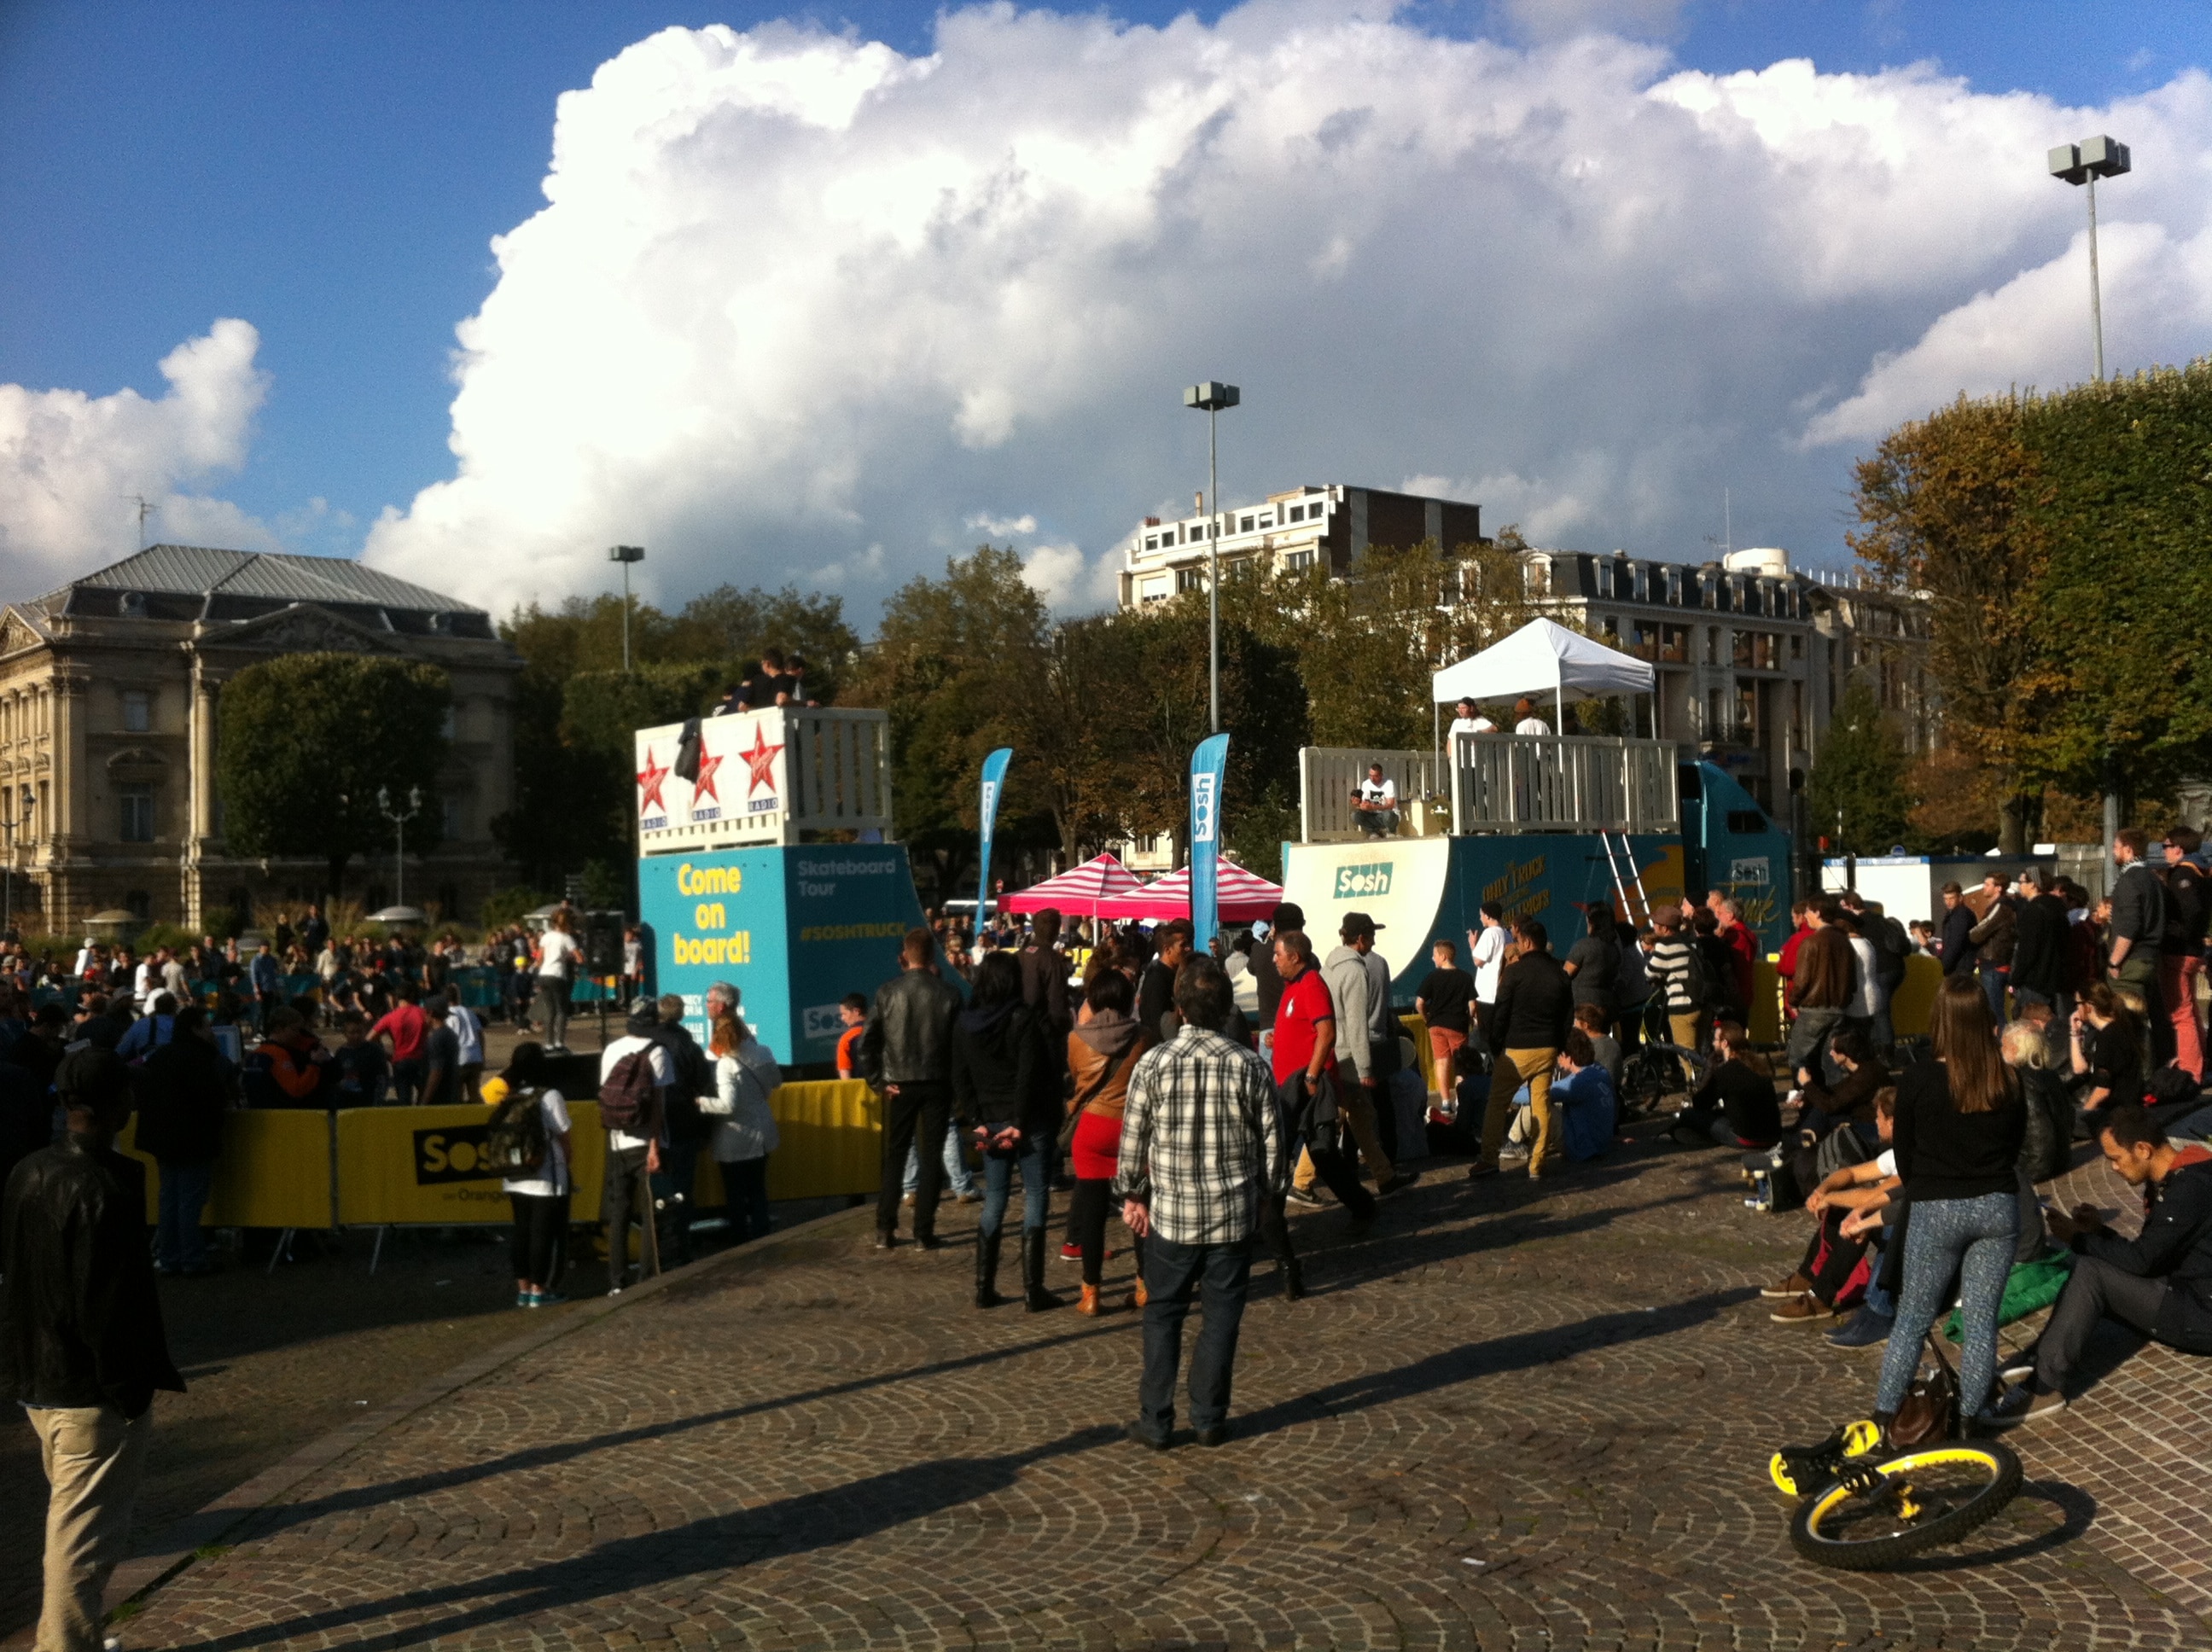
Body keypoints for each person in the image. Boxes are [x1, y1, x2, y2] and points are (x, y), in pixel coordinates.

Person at [2, 1046, 184, 1652]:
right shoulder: (104, 1187)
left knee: (73, 1522)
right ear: (115, 1108)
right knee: (81, 1539)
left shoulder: (28, 1171)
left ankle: (69, 1638)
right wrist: (127, 1391)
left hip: (40, 1377)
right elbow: (107, 1307)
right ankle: (65, 1647)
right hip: (88, 1387)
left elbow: (20, 1277)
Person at [1116, 958, 1285, 1449]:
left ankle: (1156, 1418)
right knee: (1220, 1318)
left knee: (1163, 1314)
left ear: (1179, 1006)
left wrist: (1131, 1192)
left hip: (1171, 1216)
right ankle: (1210, 1417)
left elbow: (1133, 1141)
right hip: (1231, 1215)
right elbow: (1273, 1144)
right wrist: (1266, 1195)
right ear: (1228, 1006)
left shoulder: (1153, 1064)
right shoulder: (1250, 1065)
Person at [1871, 974, 2026, 1437]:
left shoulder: (1918, 1077)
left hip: (1937, 1205)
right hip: (1998, 1206)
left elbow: (1904, 1154)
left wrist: (1929, 1188)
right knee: (1980, 1323)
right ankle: (1970, 1421)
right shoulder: (2007, 1079)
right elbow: (2016, 1147)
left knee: (1913, 1319)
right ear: (1987, 1022)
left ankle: (1882, 1418)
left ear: (1939, 1020)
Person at [1991, 1104, 2212, 1423]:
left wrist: (2079, 1240)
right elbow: (2151, 1254)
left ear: (2143, 1149)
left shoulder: (2190, 1189)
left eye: (2115, 1159)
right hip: (2186, 1290)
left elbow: (2141, 1261)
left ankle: (2045, 1386)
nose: (2114, 1168)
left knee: (2091, 1271)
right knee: (2093, 1269)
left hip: (2200, 1312)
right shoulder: (2182, 1176)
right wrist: (2096, 1231)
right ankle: (2043, 1355)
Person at [952, 951, 1059, 1311]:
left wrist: (976, 1119)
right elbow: (1030, 1074)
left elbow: (961, 1075)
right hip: (1028, 1122)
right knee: (1035, 1195)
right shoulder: (1022, 1018)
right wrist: (1020, 1122)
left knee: (995, 1196)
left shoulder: (965, 1022)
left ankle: (984, 1287)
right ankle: (1033, 1288)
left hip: (990, 1120)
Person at [861, 928, 963, 1252]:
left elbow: (867, 1044)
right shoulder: (949, 994)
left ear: (905, 956)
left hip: (900, 1082)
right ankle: (923, 1231)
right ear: (932, 956)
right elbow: (960, 1047)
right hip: (936, 1081)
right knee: (932, 1157)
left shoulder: (887, 992)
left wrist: (878, 1080)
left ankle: (885, 1227)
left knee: (897, 1154)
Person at [1766, 1086, 1901, 1325]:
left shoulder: (1912, 1157)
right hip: (1901, 1230)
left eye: (1879, 1118)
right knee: (1844, 1208)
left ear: (1891, 1122)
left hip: (1913, 1244)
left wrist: (1830, 1199)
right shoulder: (1896, 1153)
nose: (1875, 1123)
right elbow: (1850, 1173)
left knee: (1860, 1218)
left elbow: (1874, 1196)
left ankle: (1821, 1296)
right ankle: (1809, 1276)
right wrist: (1823, 1189)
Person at [1268, 929, 1376, 1229]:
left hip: (1308, 1085)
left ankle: (1269, 1220)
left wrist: (1313, 1075)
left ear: (1294, 956)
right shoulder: (1293, 986)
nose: (1274, 960)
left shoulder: (1312, 983)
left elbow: (1327, 1032)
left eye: (1278, 954)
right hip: (1292, 1085)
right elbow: (1305, 1029)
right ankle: (1361, 1204)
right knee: (1320, 1154)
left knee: (1312, 1152)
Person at [1065, 967, 1154, 1315]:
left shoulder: (1076, 1039)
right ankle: (1144, 1285)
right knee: (1139, 1206)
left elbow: (1077, 1081)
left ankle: (1091, 1293)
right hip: (1132, 1128)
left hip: (1091, 1129)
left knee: (1091, 1213)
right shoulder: (1144, 1037)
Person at [1471, 918, 1574, 1178]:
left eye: (1517, 940)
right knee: (1541, 1103)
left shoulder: (1515, 972)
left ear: (1526, 942)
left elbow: (1501, 1011)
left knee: (1497, 1103)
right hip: (1548, 1046)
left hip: (1517, 1049)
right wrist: (1559, 1044)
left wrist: (1496, 1045)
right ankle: (1537, 1164)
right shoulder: (1559, 972)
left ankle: (1489, 1159)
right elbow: (1567, 1015)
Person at [134, 1005, 229, 1276]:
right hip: (192, 1138)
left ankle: (169, 1257)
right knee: (189, 1200)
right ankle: (192, 1259)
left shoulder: (160, 1056)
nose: (211, 1031)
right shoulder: (200, 1059)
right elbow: (211, 1098)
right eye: (206, 1026)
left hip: (162, 1138)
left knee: (169, 1199)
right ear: (196, 1029)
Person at [1319, 914, 1407, 1193]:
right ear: (1360, 939)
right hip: (1351, 1055)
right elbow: (1357, 1022)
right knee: (1354, 1117)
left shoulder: (1328, 967)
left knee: (1356, 1117)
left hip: (1335, 1051)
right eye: (1371, 935)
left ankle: (1385, 1175)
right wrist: (1366, 1069)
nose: (1374, 940)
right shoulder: (1358, 970)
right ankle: (1302, 1180)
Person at [597, 1002, 670, 1295]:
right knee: (651, 1212)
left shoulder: (611, 1049)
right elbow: (658, 1106)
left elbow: (604, 1095)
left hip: (617, 1140)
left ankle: (617, 1281)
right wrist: (655, 1146)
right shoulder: (658, 1052)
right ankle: (646, 1278)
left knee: (620, 1213)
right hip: (645, 1144)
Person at [493, 1042, 573, 1306]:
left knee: (521, 1232)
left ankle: (523, 1290)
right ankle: (540, 1291)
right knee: (543, 1234)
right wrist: (566, 1168)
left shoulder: (510, 1097)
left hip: (514, 1174)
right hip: (544, 1176)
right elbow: (564, 1137)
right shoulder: (549, 1096)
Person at [701, 1010, 780, 1245]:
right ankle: (762, 1234)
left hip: (734, 1137)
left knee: (735, 1192)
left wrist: (700, 1102)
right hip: (763, 1130)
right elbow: (777, 1081)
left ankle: (740, 1239)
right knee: (758, 1188)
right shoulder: (764, 1052)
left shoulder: (726, 1064)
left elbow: (727, 1105)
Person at [1669, 1020, 1780, 1149]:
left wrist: (1709, 1070)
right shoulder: (1758, 1066)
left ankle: (1704, 1137)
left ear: (1725, 1043)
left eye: (1716, 1039)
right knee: (1720, 1114)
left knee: (1688, 1114)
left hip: (1747, 1138)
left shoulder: (1726, 1072)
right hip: (1773, 1135)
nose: (1713, 1043)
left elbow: (1700, 1103)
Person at [2107, 827, 2165, 1043]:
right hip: (2150, 957)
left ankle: (2137, 1073)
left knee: (2126, 1022)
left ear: (2128, 850)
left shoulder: (2129, 881)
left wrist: (2114, 961)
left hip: (2131, 960)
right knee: (2147, 1019)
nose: (2113, 852)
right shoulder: (2153, 880)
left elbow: (2129, 928)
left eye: (2116, 847)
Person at [2158, 829, 2209, 1081]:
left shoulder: (2183, 874)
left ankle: (2191, 1071)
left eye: (2166, 846)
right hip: (2193, 950)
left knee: (2181, 1013)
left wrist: (2174, 934)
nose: (2163, 850)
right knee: (2190, 1011)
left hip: (2178, 952)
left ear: (2179, 848)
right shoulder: (2201, 872)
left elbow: (2191, 911)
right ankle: (2198, 1062)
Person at [1784, 913, 1855, 1085]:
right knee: (1830, 1059)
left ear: (1817, 913)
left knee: (1797, 1057)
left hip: (1814, 1007)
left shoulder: (1811, 942)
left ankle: (1802, 1099)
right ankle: (1834, 1100)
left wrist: (1793, 1001)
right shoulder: (1845, 942)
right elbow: (1852, 981)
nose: (1806, 916)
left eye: (1808, 912)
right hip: (1838, 1007)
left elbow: (1801, 980)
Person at [2069, 981, 2144, 1120]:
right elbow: (2080, 1069)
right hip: (2125, 1109)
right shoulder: (2115, 1029)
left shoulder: (2108, 1037)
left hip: (2116, 1114)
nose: (2076, 1009)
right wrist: (2075, 1033)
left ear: (2089, 1006)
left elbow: (2102, 1091)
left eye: (2078, 1004)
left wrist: (2084, 1115)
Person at [1414, 938, 1474, 1106]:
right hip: (1458, 1025)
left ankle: (1446, 1101)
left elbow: (1419, 1003)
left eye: (1435, 955)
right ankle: (1461, 1100)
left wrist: (1428, 1019)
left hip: (1437, 1025)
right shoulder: (1465, 978)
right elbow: (1473, 1005)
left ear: (1444, 956)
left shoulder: (1432, 977)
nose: (1433, 958)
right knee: (1460, 1064)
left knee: (1441, 1061)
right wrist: (1469, 1019)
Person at [242, 1006, 330, 1108]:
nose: (298, 1034)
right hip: (281, 1116)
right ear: (279, 1028)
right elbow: (297, 1089)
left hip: (257, 1114)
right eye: (295, 1029)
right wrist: (314, 1064)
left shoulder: (254, 1054)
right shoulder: (278, 1054)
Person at [2011, 867, 2069, 1014]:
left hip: (2034, 982)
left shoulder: (2033, 911)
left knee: (2032, 1030)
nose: (2019, 885)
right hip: (2056, 979)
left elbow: (2028, 950)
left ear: (2034, 884)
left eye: (2022, 881)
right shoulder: (2059, 908)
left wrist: (2016, 979)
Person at [1551, 1029, 1616, 1161]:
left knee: (1537, 1103)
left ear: (1568, 1058)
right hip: (1601, 1143)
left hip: (1581, 1149)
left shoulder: (1577, 1083)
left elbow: (1539, 1093)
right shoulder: (1601, 1071)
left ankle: (1513, 1142)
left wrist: (1509, 1093)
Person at [1645, 908, 1700, 1052]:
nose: (1653, 927)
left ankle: (1693, 1076)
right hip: (1699, 1002)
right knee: (1699, 1054)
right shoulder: (1688, 940)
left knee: (1686, 1056)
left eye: (1655, 924)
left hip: (1682, 1006)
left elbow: (1650, 972)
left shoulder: (1666, 945)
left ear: (1664, 928)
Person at [1562, 909, 1621, 1041]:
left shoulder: (1584, 946)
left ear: (1594, 924)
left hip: (1584, 1009)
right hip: (1606, 1005)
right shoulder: (1614, 949)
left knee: (1583, 1045)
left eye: (1588, 922)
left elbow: (1566, 974)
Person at [1967, 871, 2017, 1023]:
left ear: (1998, 888)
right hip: (1996, 962)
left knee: (1995, 1012)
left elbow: (1979, 932)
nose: (1984, 887)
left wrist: (1971, 933)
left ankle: (2002, 1043)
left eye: (1988, 884)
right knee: (1995, 1009)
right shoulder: (2003, 906)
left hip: (1994, 963)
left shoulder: (2000, 907)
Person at [369, 986, 429, 1106]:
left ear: (397, 998)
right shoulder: (423, 1013)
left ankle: (408, 1122)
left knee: (404, 1099)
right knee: (425, 1097)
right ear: (412, 996)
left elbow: (369, 1039)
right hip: (421, 1059)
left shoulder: (391, 1017)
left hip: (400, 1060)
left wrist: (386, 1055)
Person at [1138, 921, 1195, 1046]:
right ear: (1167, 950)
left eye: (1189, 943)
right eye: (1183, 945)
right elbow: (1156, 1022)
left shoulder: (1175, 973)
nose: (1188, 948)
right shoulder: (1157, 979)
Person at [534, 911, 581, 1055]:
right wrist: (567, 957)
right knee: (562, 1010)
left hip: (544, 974)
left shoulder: (546, 937)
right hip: (558, 975)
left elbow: (540, 958)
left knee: (550, 1011)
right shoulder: (567, 938)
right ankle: (560, 1042)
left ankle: (549, 1043)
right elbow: (579, 959)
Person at [1466, 901, 1507, 1051]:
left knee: (1485, 1038)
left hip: (1486, 995)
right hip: (1500, 991)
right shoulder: (1506, 933)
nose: (1480, 918)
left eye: (1481, 915)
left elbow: (1478, 960)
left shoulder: (1490, 933)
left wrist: (1473, 945)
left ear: (1488, 916)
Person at [329, 1010, 388, 1105]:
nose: (356, 1036)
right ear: (345, 1033)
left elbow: (382, 1077)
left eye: (359, 1032)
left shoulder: (374, 1050)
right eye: (352, 1033)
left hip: (368, 1099)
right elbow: (336, 1077)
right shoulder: (341, 1052)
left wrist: (378, 1099)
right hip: (346, 1100)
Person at [419, 995, 463, 1108]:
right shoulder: (450, 1034)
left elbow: (436, 1071)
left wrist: (424, 1102)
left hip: (438, 1099)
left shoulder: (436, 1039)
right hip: (451, 1095)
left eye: (425, 1012)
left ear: (431, 1013)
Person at [1937, 881, 1977, 978]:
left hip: (1960, 967)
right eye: (1945, 899)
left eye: (1951, 898)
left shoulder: (1961, 914)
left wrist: (1943, 966)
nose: (1948, 902)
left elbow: (1956, 943)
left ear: (1960, 898)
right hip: (1959, 965)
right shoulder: (1955, 914)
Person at [1349, 763, 1399, 838]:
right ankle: (1374, 832)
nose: (1372, 779)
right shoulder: (1366, 784)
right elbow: (1364, 804)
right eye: (1370, 776)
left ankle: (1390, 831)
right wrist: (1358, 804)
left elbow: (1390, 805)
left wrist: (1373, 807)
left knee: (1388, 814)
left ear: (1381, 775)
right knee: (1355, 815)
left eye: (1375, 776)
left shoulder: (1388, 783)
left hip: (1385, 815)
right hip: (1372, 815)